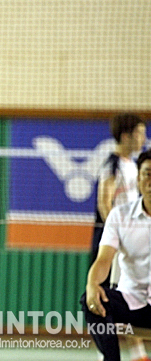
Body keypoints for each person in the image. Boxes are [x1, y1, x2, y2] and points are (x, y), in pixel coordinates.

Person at [82, 148, 151, 361]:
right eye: (147, 174)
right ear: (138, 180)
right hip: (131, 301)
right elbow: (104, 260)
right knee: (91, 301)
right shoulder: (119, 216)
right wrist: (92, 284)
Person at [92, 113, 147, 265]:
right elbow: (104, 204)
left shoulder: (133, 165)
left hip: (131, 235)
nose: (143, 139)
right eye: (139, 133)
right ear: (125, 137)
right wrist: (118, 233)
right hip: (113, 241)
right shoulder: (112, 166)